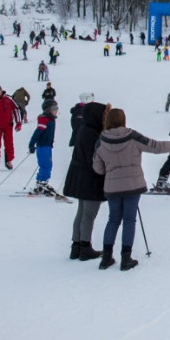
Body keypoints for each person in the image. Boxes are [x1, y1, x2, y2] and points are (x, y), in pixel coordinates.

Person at [93, 108, 170, 270]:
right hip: (132, 186)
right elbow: (156, 146)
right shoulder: (132, 136)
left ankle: (106, 258)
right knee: (129, 220)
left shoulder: (101, 141)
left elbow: (98, 169)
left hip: (112, 187)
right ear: (123, 120)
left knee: (113, 219)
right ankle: (126, 258)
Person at [62, 102, 107, 261]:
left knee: (81, 212)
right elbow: (95, 158)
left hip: (80, 177)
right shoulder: (92, 133)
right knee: (88, 214)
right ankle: (85, 247)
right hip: (90, 179)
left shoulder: (84, 129)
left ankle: (76, 246)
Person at [29, 100, 60, 194]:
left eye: (57, 108)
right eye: (54, 108)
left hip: (47, 146)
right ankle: (41, 184)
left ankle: (44, 182)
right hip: (43, 146)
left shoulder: (51, 119)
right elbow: (38, 132)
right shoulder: (44, 119)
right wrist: (31, 144)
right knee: (45, 165)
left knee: (48, 165)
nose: (56, 110)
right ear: (48, 109)